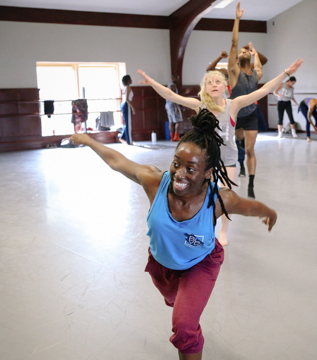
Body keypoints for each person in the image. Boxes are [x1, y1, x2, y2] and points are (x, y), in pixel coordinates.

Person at [69, 109, 278, 360]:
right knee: (176, 305)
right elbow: (118, 162)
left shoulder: (219, 200)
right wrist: (90, 141)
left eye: (191, 169)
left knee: (184, 326)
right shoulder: (155, 182)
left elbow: (248, 206)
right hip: (162, 266)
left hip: (201, 264)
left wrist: (268, 212)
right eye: (176, 164)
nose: (179, 174)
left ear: (208, 173)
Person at [138, 59, 303, 246]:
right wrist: (151, 82)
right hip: (206, 161)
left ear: (224, 86)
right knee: (201, 196)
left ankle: (223, 232)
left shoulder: (233, 105)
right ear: (205, 88)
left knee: (226, 197)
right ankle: (202, 227)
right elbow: (170, 95)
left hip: (228, 160)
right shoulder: (200, 106)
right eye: (210, 82)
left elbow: (263, 91)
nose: (214, 85)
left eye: (218, 82)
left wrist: (286, 73)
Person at [229, 1, 264, 199]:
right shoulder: (234, 72)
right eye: (240, 52)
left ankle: (251, 183)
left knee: (250, 149)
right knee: (235, 145)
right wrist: (237, 19)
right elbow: (234, 43)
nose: (241, 52)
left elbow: (258, 63)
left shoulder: (256, 74)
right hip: (234, 115)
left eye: (245, 52)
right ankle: (237, 163)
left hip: (250, 114)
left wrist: (255, 52)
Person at [166, 75, 184, 141]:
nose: (178, 80)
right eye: (177, 78)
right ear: (173, 78)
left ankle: (172, 137)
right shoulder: (173, 86)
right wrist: (176, 107)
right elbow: (173, 97)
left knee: (171, 121)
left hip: (168, 105)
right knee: (179, 121)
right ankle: (176, 136)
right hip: (173, 105)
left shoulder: (168, 85)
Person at [119, 75, 136, 145]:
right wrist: (132, 107)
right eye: (130, 79)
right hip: (126, 105)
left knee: (127, 123)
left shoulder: (124, 88)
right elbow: (127, 99)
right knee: (128, 124)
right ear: (128, 80)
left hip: (123, 105)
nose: (131, 80)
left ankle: (123, 137)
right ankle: (129, 141)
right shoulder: (128, 88)